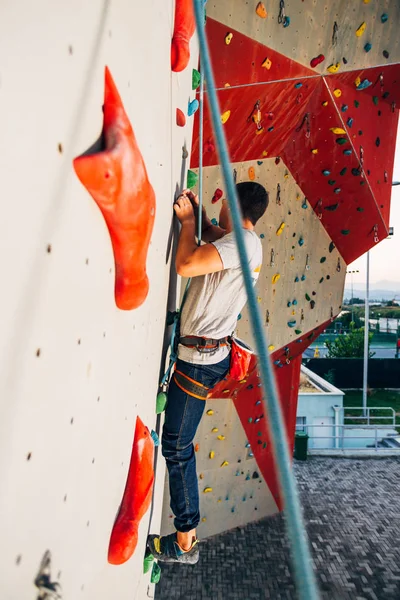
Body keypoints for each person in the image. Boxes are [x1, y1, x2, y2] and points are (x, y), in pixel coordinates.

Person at [148, 181, 269, 564]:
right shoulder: (247, 243)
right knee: (178, 444)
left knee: (177, 446)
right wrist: (198, 218)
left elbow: (186, 264)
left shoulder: (245, 244)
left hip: (199, 362)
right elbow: (214, 237)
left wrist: (186, 224)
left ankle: (186, 541)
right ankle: (186, 536)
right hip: (206, 357)